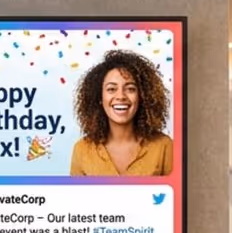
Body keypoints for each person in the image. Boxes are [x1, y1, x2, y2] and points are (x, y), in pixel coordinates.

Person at [68, 49, 173, 177]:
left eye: (130, 89)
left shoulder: (164, 146)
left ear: (141, 96)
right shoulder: (82, 150)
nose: (121, 96)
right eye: (111, 89)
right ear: (100, 98)